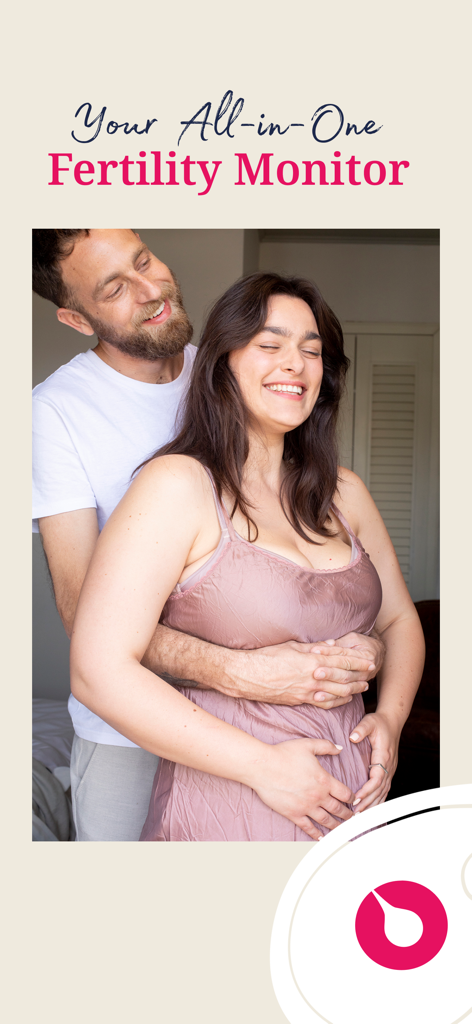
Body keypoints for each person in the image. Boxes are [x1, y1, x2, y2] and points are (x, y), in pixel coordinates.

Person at [33, 230, 383, 841]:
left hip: (283, 729)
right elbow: (81, 609)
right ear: (74, 316)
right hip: (128, 726)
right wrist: (240, 673)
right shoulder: (54, 413)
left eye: (144, 261)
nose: (150, 291)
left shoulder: (242, 365)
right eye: (115, 287)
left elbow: (305, 544)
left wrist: (357, 652)